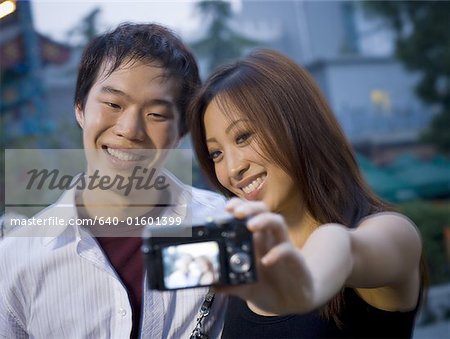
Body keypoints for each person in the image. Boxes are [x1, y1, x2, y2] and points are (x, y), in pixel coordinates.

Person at [0, 23, 227, 338]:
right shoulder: (15, 259)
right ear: (80, 109)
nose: (130, 129)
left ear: (181, 133)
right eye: (113, 104)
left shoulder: (222, 225)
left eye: (157, 115)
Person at [188, 49, 426, 338]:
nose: (233, 168)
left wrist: (306, 282)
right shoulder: (245, 254)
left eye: (244, 136)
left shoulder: (391, 231)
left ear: (297, 124)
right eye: (216, 153)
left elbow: (344, 248)